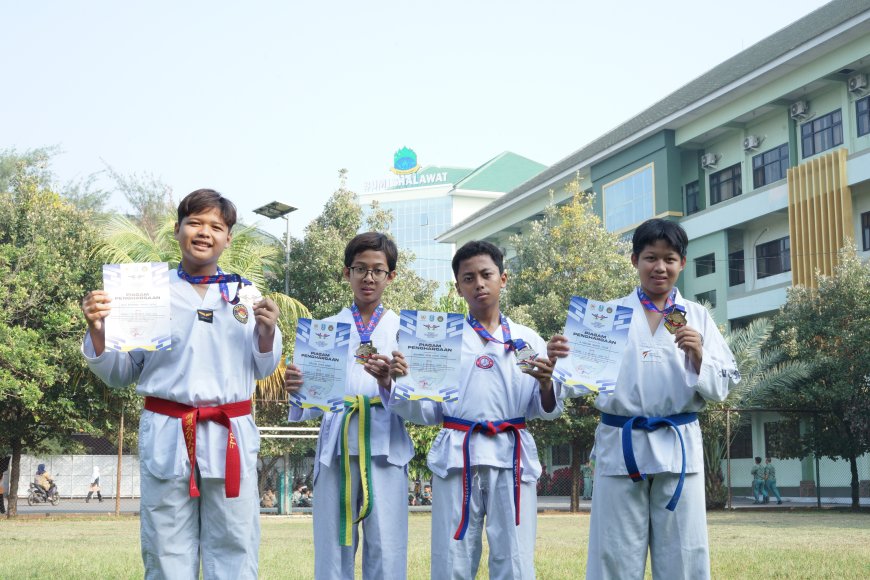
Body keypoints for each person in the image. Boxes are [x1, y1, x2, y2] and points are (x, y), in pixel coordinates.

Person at [81, 189, 282, 579]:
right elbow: (122, 371)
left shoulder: (246, 295)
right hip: (169, 429)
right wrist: (98, 328)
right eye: (195, 222)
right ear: (177, 230)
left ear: (228, 238)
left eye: (215, 226)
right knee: (165, 546)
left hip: (229, 433)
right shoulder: (148, 292)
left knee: (235, 545)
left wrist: (267, 331)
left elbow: (261, 368)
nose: (204, 232)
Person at [548, 218, 740, 580]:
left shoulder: (696, 317)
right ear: (635, 260)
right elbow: (571, 383)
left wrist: (699, 356)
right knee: (614, 554)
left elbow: (723, 387)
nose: (660, 267)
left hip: (677, 446)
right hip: (622, 444)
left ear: (682, 263)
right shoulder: (607, 317)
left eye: (670, 259)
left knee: (684, 554)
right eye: (651, 257)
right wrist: (560, 359)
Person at [388, 240, 562, 579]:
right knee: (452, 554)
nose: (479, 284)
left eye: (486, 274)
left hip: (511, 454)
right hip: (458, 453)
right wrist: (406, 382)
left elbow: (542, 408)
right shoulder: (440, 340)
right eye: (469, 278)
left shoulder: (527, 340)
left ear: (503, 278)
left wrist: (545, 384)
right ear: (458, 287)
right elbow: (427, 413)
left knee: (514, 554)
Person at [285, 232, 413, 579]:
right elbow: (311, 404)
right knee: (333, 544)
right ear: (347, 273)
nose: (368, 277)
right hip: (337, 445)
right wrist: (297, 390)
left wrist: (394, 383)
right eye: (360, 268)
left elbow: (418, 404)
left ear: (391, 276)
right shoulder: (324, 331)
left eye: (378, 270)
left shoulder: (406, 331)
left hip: (386, 445)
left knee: (387, 546)